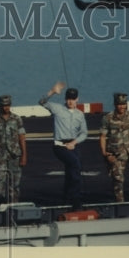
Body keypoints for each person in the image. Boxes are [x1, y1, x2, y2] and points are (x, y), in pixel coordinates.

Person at [39, 81, 88, 210]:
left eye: (73, 99)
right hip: (60, 146)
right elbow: (42, 102)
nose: (70, 101)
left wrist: (74, 142)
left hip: (73, 145)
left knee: (71, 171)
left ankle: (66, 197)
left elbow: (84, 133)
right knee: (75, 165)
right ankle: (76, 199)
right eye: (68, 99)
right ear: (65, 99)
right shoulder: (57, 109)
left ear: (77, 99)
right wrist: (52, 91)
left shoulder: (79, 115)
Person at [0, 95, 27, 203]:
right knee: (0, 182)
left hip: (14, 155)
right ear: (0, 106)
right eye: (4, 106)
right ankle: (2, 205)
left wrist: (24, 155)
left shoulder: (17, 119)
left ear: (10, 105)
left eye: (7, 105)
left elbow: (22, 137)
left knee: (15, 183)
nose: (6, 108)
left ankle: (14, 206)